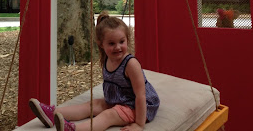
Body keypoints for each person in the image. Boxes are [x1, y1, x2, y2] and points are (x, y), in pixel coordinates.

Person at [29, 11, 160, 131]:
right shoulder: (108, 60)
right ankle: (52, 114)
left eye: (121, 41)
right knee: (93, 104)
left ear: (127, 39)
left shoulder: (131, 64)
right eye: (111, 43)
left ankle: (74, 129)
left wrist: (139, 124)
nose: (118, 47)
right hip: (121, 100)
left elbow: (141, 96)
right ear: (101, 44)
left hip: (140, 107)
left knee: (109, 115)